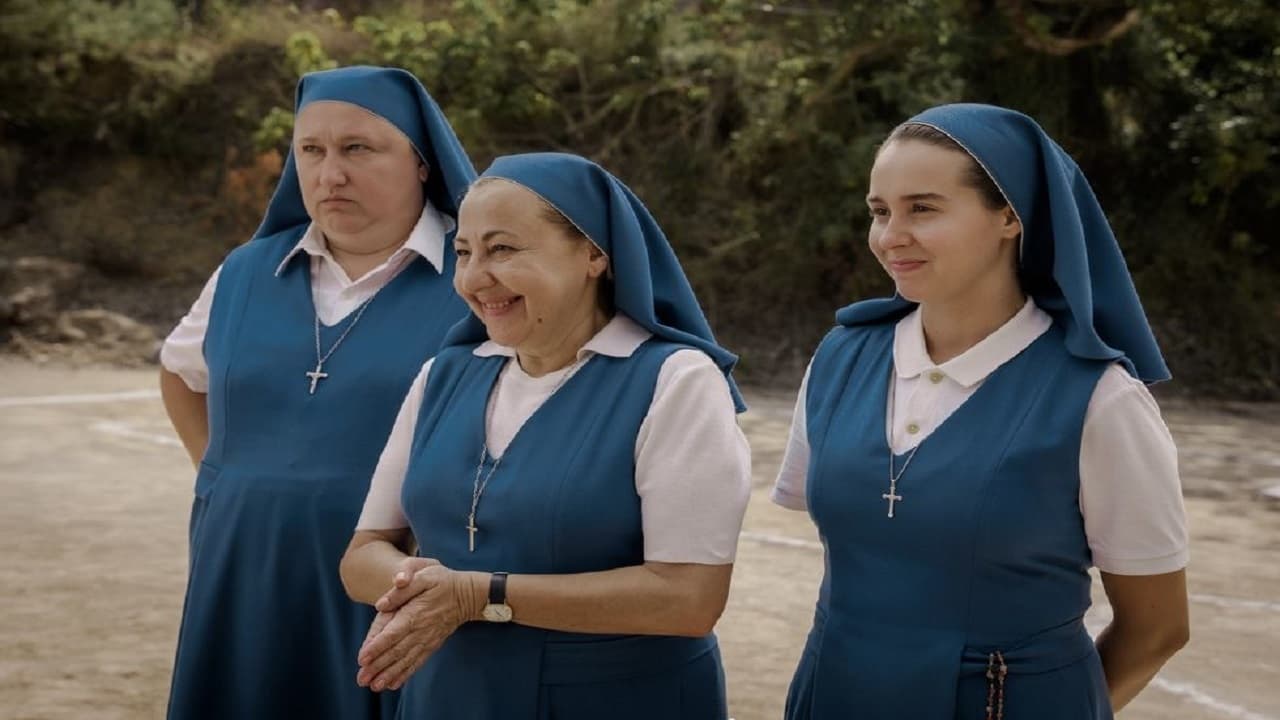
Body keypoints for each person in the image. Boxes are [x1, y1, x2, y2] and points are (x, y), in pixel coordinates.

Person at [772, 104, 1190, 719]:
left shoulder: (1101, 399)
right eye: (880, 211)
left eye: (923, 208)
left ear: (1010, 217)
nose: (890, 236)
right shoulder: (839, 359)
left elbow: (1157, 627)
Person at [338, 152, 751, 719]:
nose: (473, 278)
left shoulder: (675, 381)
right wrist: (423, 586)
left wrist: (478, 595)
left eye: (502, 249)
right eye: (464, 253)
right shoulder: (443, 376)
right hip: (451, 697)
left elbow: (688, 599)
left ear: (594, 254)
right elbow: (362, 557)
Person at [158, 65, 475, 719]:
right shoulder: (247, 270)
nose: (331, 175)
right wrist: (220, 477)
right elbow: (180, 372)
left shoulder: (476, 277)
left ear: (422, 162)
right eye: (311, 150)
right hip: (243, 569)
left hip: (394, 583)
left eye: (358, 148)